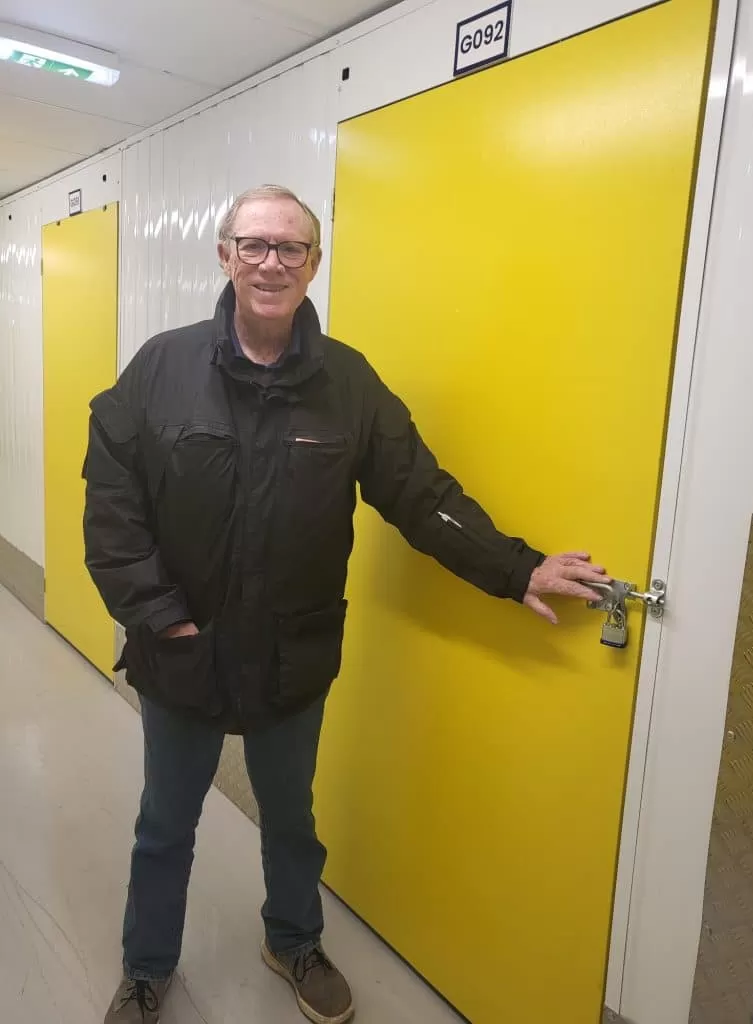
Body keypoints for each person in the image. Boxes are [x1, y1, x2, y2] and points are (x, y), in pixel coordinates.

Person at [83, 184, 608, 1024]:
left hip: (293, 654)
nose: (271, 263)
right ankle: (147, 968)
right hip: (181, 648)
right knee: (165, 824)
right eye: (254, 245)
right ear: (225, 256)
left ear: (314, 263)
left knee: (292, 820)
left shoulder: (349, 384)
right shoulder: (160, 368)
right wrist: (161, 615)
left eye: (291, 247)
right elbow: (113, 509)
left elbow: (421, 494)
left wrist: (520, 568)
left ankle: (294, 941)